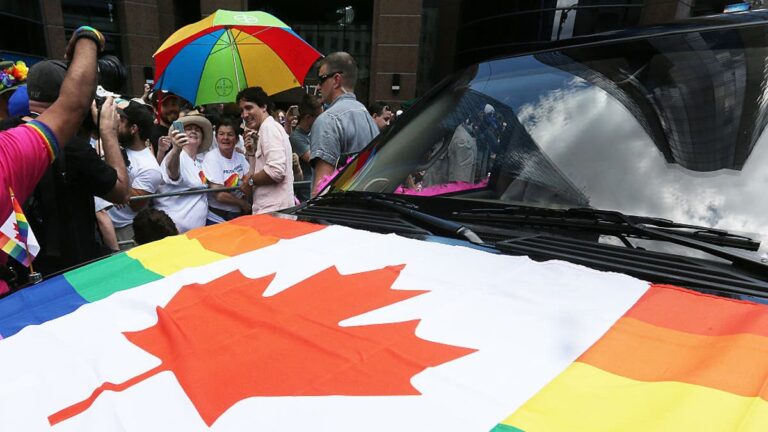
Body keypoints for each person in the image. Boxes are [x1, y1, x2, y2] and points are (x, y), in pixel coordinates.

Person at [19, 57, 131, 277]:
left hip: (26, 269)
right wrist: (107, 131)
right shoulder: (70, 148)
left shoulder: (9, 133)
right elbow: (121, 192)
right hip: (71, 271)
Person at [310, 51, 379, 195]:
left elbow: (321, 189)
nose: (318, 86)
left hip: (336, 213)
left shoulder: (327, 120)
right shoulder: (368, 118)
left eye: (321, 79)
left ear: (336, 80)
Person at [107, 100, 162, 247]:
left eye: (123, 120)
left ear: (133, 129)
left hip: (124, 230)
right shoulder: (118, 148)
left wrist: (113, 184)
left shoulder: (150, 168)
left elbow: (135, 204)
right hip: (104, 223)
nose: (117, 123)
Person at [237, 86, 295, 214]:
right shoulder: (264, 129)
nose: (244, 115)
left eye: (249, 108)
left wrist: (250, 181)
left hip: (274, 212)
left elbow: (275, 171)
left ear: (263, 107)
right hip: (270, 211)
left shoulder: (269, 128)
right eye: (241, 110)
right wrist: (251, 153)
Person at [153, 114, 211, 233]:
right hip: (174, 233)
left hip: (195, 235)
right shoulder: (175, 156)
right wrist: (176, 150)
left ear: (202, 139)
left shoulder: (200, 162)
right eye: (188, 129)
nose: (193, 131)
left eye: (198, 130)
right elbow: (173, 172)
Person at [203, 117, 251, 224]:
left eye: (230, 134)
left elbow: (250, 181)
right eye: (221, 134)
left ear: (237, 139)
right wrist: (242, 203)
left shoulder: (240, 157)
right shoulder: (212, 157)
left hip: (238, 215)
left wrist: (251, 155)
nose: (225, 138)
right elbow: (219, 195)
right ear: (216, 137)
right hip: (217, 216)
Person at [148, 92, 180, 162]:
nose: (171, 109)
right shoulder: (152, 135)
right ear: (156, 110)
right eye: (165, 105)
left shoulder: (182, 129)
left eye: (174, 104)